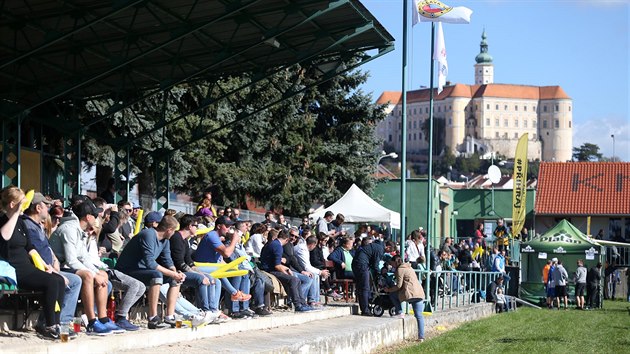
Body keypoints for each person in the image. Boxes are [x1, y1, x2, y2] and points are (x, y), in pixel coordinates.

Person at [0, 187, 66, 340]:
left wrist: (46, 265)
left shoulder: (21, 223)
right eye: (22, 203)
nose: (25, 206)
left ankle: (54, 323)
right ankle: (49, 325)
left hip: (27, 267)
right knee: (50, 282)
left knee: (58, 280)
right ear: (12, 204)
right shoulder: (4, 221)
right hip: (13, 269)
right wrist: (16, 213)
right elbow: (5, 237)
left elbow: (30, 248)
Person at [49, 198, 119, 335]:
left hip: (67, 266)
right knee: (87, 276)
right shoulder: (69, 229)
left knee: (102, 275)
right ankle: (92, 323)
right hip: (56, 267)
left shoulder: (79, 229)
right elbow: (71, 260)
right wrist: (93, 274)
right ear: (88, 217)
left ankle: (103, 319)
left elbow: (84, 257)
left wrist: (98, 272)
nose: (97, 219)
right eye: (95, 216)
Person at [115, 215, 185, 329]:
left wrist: (175, 273)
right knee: (156, 275)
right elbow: (150, 263)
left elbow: (167, 260)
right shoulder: (148, 235)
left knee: (174, 279)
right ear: (169, 230)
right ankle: (153, 318)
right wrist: (173, 274)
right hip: (127, 270)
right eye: (174, 231)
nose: (174, 234)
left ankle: (169, 316)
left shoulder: (165, 240)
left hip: (142, 270)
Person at [259, 229, 312, 312]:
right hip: (269, 271)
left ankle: (303, 303)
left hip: (269, 269)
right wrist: (287, 273)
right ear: (287, 239)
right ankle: (298, 305)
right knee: (294, 279)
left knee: (296, 279)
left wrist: (286, 269)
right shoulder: (278, 246)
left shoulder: (272, 244)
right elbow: (277, 266)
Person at [385, 255, 426, 342]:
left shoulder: (400, 269)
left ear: (395, 262)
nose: (391, 265)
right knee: (419, 316)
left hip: (410, 293)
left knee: (393, 294)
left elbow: (399, 286)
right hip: (419, 293)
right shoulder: (409, 267)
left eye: (391, 263)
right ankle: (421, 337)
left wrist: (389, 289)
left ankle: (400, 312)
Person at [352, 238, 390, 316]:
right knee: (365, 287)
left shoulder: (374, 246)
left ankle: (364, 307)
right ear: (388, 247)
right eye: (389, 251)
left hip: (357, 264)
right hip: (362, 265)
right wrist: (380, 273)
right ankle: (365, 310)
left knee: (360, 287)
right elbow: (375, 264)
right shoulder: (380, 249)